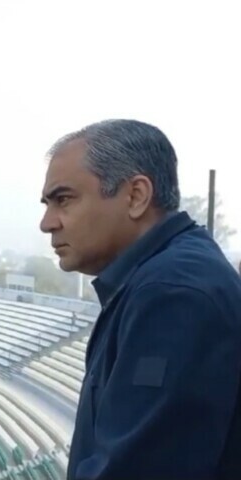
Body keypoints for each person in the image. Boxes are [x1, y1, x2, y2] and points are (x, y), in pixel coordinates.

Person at [39, 119, 241, 479]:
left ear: (135, 196)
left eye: (63, 200)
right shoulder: (154, 281)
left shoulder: (173, 293)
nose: (47, 222)